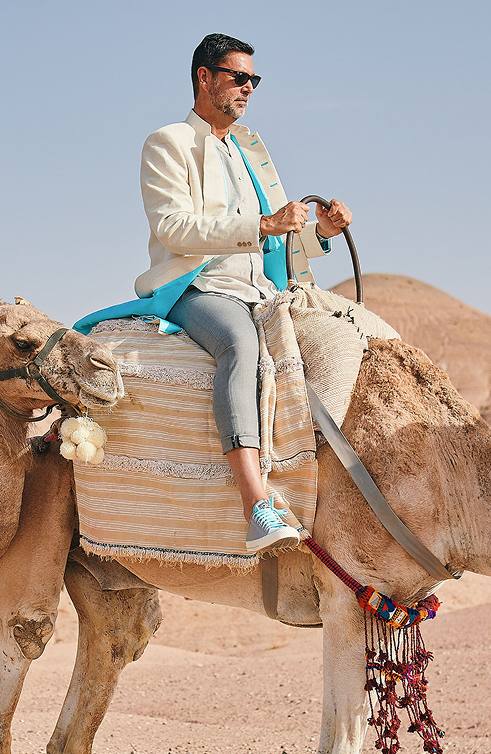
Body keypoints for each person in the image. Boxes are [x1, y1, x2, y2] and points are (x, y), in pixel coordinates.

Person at [140, 34, 353, 552]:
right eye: (238, 77)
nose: (248, 89)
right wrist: (262, 223)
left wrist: (320, 231)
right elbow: (173, 226)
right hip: (200, 285)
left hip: (263, 289)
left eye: (253, 80)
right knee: (241, 347)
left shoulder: (251, 150)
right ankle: (255, 504)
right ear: (204, 77)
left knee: (347, 333)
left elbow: (277, 237)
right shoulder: (169, 144)